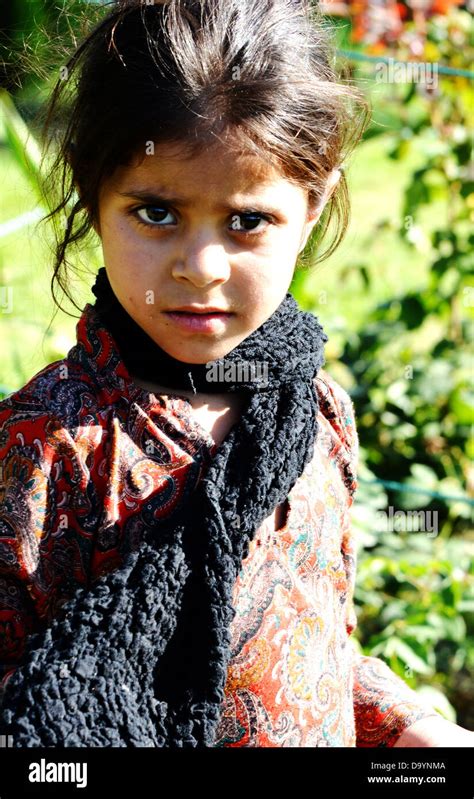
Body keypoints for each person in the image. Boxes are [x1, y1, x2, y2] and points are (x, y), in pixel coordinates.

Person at [0, 0, 472, 748]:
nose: (201, 268)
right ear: (92, 195)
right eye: (156, 212)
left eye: (247, 220)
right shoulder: (45, 452)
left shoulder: (316, 415)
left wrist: (412, 726)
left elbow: (316, 642)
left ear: (313, 204)